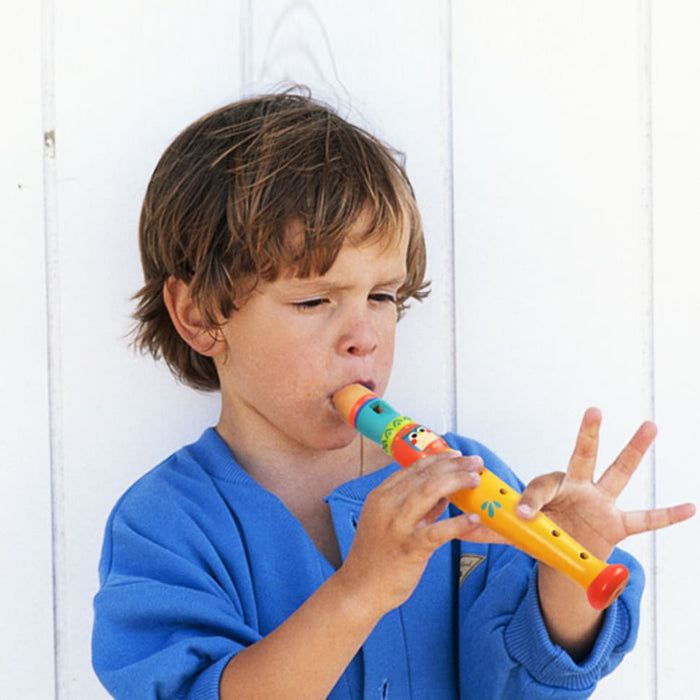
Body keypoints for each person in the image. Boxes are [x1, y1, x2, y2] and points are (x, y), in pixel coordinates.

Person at [92, 91, 695, 699]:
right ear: (199, 317)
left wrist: (568, 574)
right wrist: (362, 589)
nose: (363, 338)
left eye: (383, 297)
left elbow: (525, 681)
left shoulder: (459, 477)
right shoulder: (161, 525)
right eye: (313, 300)